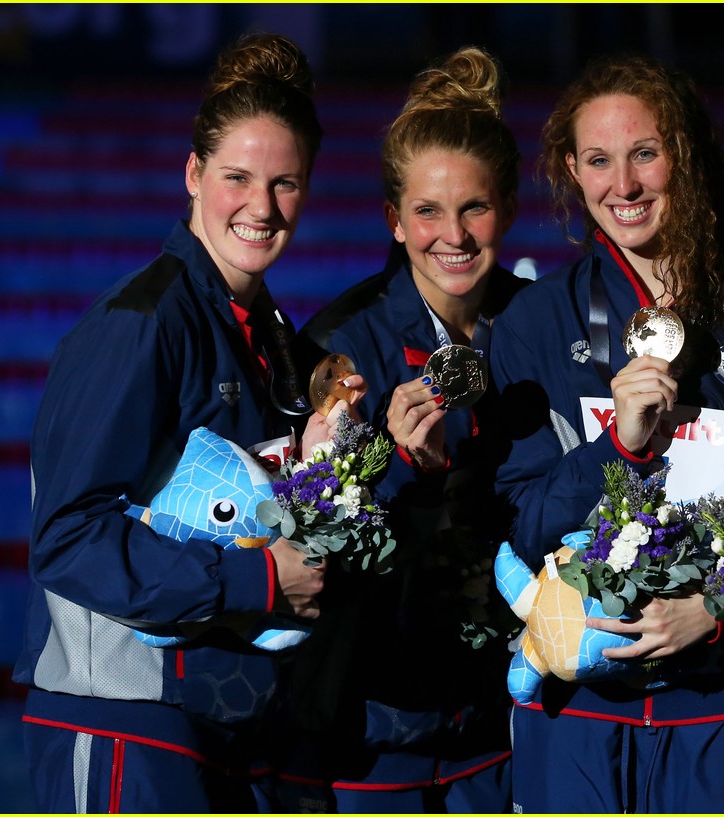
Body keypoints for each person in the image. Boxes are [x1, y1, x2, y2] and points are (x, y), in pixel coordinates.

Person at [13, 32, 331, 812]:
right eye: (237, 178)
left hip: (221, 724)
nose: (261, 207)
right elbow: (67, 535)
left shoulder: (269, 335)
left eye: (284, 183)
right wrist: (258, 580)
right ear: (193, 174)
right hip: (122, 724)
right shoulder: (143, 322)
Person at [489, 54, 724, 814]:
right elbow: (519, 525)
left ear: (683, 154)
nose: (622, 186)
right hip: (579, 710)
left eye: (644, 155)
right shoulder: (537, 323)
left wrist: (716, 610)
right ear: (570, 169)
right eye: (598, 160)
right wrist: (614, 451)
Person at [275, 46, 524, 812]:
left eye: (474, 208)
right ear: (393, 220)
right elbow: (301, 546)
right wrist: (393, 472)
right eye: (427, 211)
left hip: (497, 730)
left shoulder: (534, 327)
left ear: (507, 209)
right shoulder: (339, 346)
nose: (453, 234)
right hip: (370, 735)